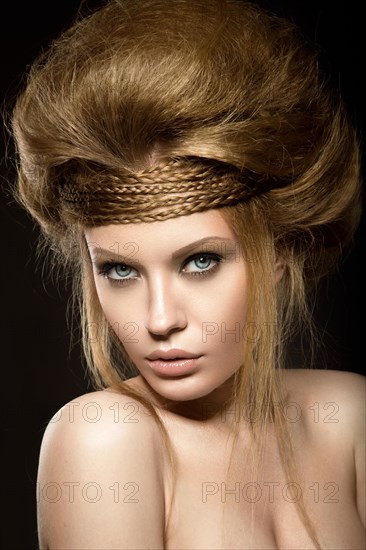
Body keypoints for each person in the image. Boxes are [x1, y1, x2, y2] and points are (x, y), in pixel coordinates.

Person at [10, 0, 365, 548]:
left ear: (277, 253)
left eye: (201, 261)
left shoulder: (351, 420)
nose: (159, 320)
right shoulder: (106, 441)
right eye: (121, 270)